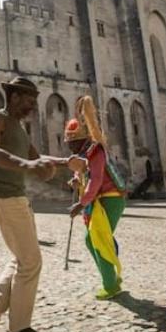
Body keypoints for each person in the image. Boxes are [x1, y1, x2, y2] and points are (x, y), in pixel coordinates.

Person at [0, 77, 80, 332]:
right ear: (16, 97)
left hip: (16, 199)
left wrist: (66, 162)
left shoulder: (19, 127)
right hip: (4, 199)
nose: (33, 107)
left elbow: (38, 159)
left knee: (21, 258)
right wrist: (27, 166)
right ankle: (19, 329)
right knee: (31, 262)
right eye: (30, 101)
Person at [64, 96, 127, 301]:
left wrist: (80, 203)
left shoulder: (95, 151)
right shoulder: (84, 153)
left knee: (96, 239)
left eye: (71, 143)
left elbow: (96, 180)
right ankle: (111, 278)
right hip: (100, 200)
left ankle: (110, 284)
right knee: (92, 240)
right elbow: (83, 173)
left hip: (111, 199)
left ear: (80, 140)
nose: (70, 148)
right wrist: (75, 181)